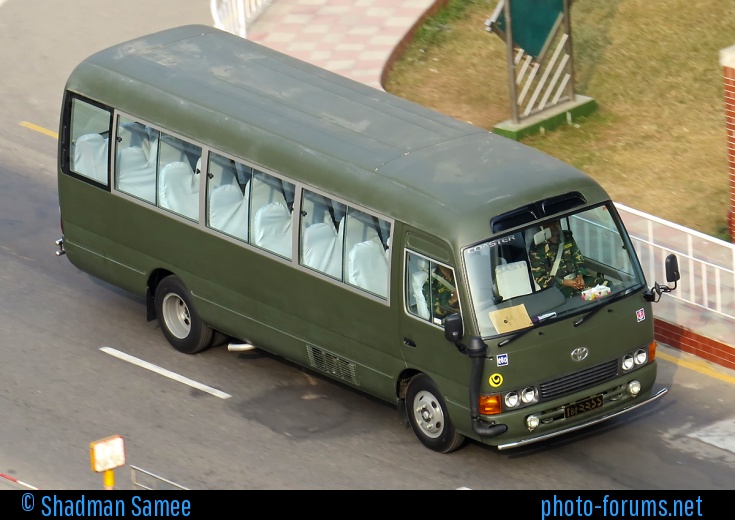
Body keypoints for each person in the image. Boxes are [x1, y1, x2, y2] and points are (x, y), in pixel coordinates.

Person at [529, 220, 607, 298]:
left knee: (608, 287)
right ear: (543, 227)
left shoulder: (567, 237)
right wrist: (565, 282)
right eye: (549, 224)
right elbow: (540, 278)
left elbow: (579, 259)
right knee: (586, 298)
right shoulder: (537, 249)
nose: (554, 226)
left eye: (556, 222)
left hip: (577, 279)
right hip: (558, 287)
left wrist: (580, 276)